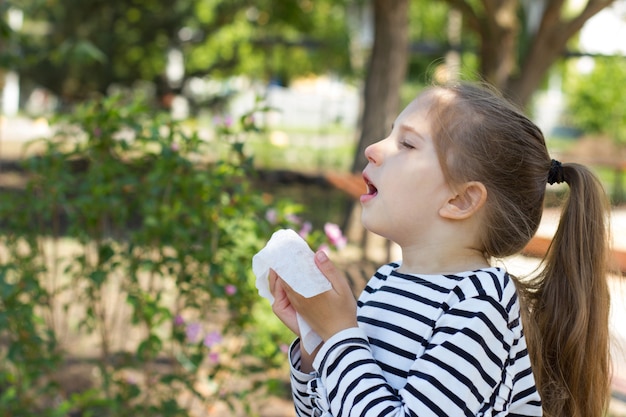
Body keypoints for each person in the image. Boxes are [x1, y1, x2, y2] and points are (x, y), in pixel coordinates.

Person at [268, 82, 611, 417]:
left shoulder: (478, 304)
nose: (373, 148)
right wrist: (316, 341)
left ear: (460, 200)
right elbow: (331, 407)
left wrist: (339, 333)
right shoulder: (386, 282)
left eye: (406, 143)